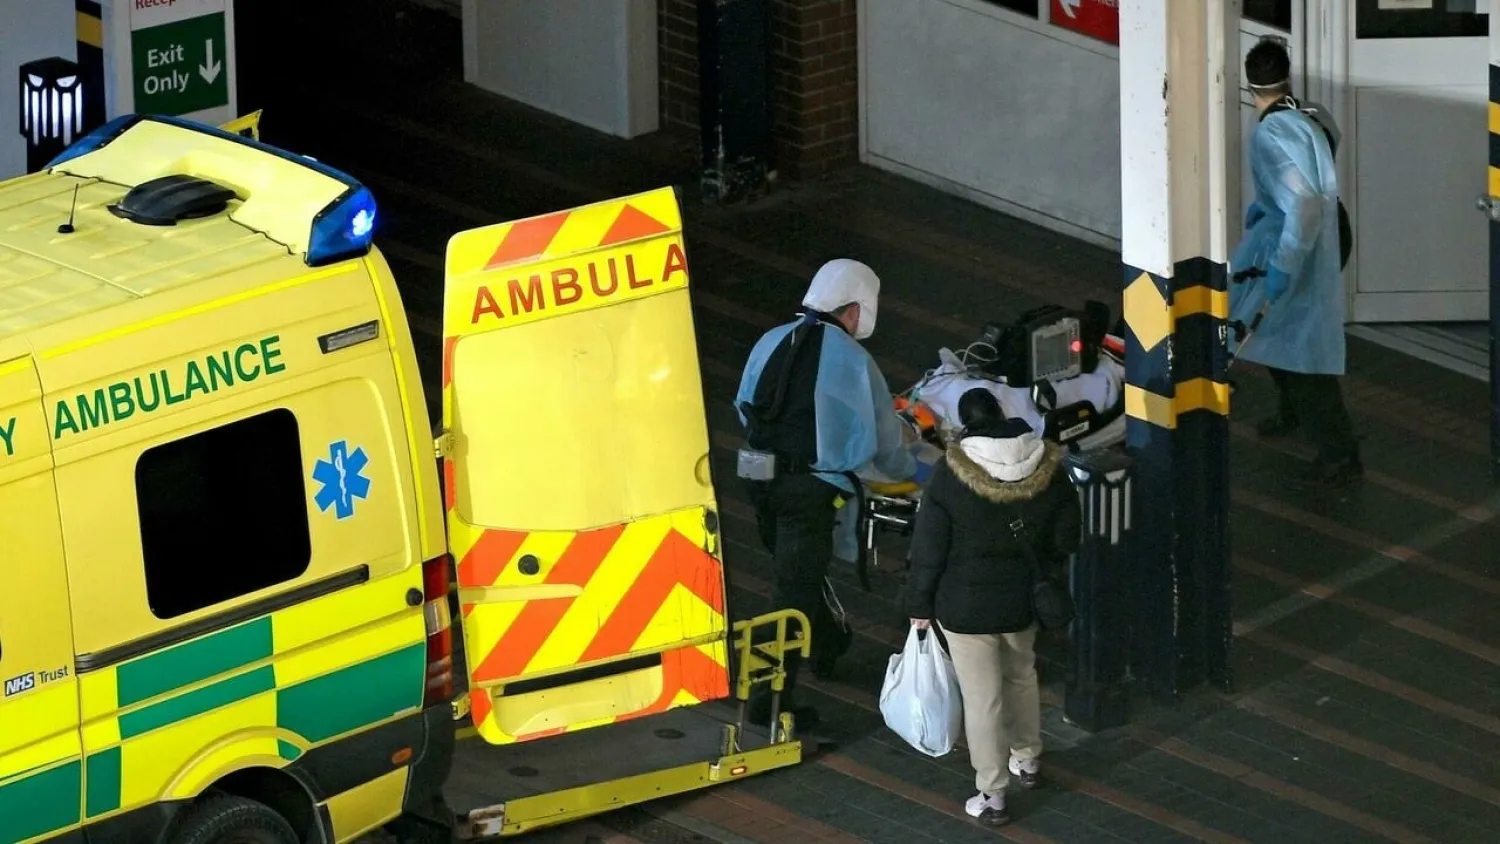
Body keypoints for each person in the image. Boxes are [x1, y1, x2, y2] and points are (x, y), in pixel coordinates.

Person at [735, 258, 918, 727]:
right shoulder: (854, 360)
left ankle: (827, 646)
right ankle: (768, 702)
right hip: (809, 492)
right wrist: (916, 470)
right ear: (856, 310)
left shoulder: (771, 339)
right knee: (790, 593)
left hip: (759, 480)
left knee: (795, 573)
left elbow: (744, 406)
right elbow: (884, 443)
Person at [904, 388, 1081, 826]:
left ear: (965, 426)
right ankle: (1028, 759)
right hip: (1023, 598)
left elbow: (928, 549)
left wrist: (918, 602)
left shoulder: (949, 475)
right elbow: (1067, 537)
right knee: (1021, 675)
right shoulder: (1047, 467)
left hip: (965, 607)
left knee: (983, 699)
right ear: (1002, 414)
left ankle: (993, 792)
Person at [1232, 38, 1362, 487]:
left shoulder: (1269, 133)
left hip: (1304, 241)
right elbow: (1323, 160)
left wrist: (1283, 264)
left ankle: (1340, 452)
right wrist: (1269, 207)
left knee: (1301, 346)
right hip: (1329, 229)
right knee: (1277, 332)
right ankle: (1292, 413)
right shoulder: (1312, 113)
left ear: (1250, 88)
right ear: (1287, 75)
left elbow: (1303, 203)